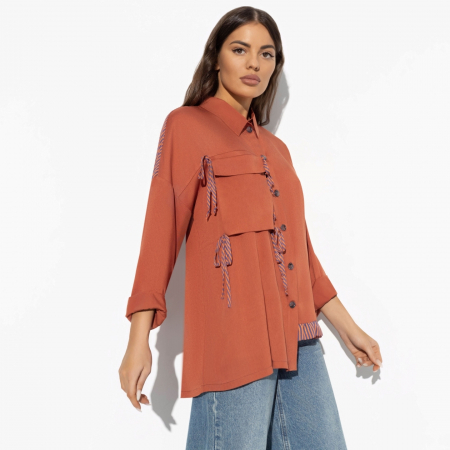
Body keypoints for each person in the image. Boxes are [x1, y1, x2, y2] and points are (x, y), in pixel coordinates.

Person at [119, 6, 383, 449]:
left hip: (299, 341)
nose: (254, 63)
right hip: (234, 342)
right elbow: (159, 235)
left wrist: (348, 327)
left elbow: (302, 255)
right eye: (240, 50)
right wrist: (138, 340)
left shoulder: (277, 150)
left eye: (266, 54)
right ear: (215, 58)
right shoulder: (186, 126)